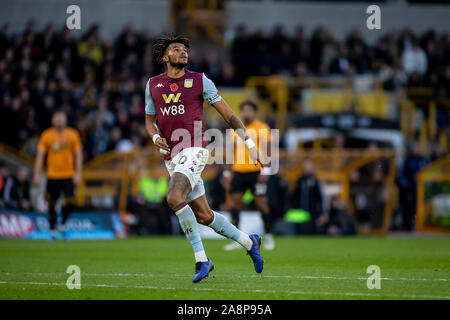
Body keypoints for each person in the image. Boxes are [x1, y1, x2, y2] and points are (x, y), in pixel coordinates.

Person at [145, 34, 266, 283]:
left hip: (195, 149)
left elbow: (229, 116)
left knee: (173, 197)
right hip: (172, 157)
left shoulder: (200, 81)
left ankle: (202, 259)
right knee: (204, 216)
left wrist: (250, 144)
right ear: (165, 58)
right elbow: (149, 121)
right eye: (176, 49)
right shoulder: (153, 85)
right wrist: (156, 139)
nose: (183, 52)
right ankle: (248, 241)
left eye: (185, 49)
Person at [223, 101, 275, 251]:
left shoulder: (262, 128)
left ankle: (269, 235)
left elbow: (268, 151)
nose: (246, 113)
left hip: (256, 171)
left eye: (249, 110)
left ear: (254, 112)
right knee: (235, 204)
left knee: (261, 204)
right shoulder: (235, 129)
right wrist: (227, 172)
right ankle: (236, 239)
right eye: (244, 110)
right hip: (238, 172)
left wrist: (265, 171)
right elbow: (231, 152)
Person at [33, 111, 83, 240]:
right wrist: (37, 174)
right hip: (52, 175)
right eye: (58, 118)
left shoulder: (73, 134)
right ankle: (52, 229)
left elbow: (78, 154)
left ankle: (62, 224)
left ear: (66, 120)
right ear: (53, 121)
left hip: (68, 175)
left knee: (71, 202)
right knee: (51, 203)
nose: (60, 120)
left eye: (62, 118)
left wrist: (78, 173)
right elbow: (40, 156)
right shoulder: (46, 135)